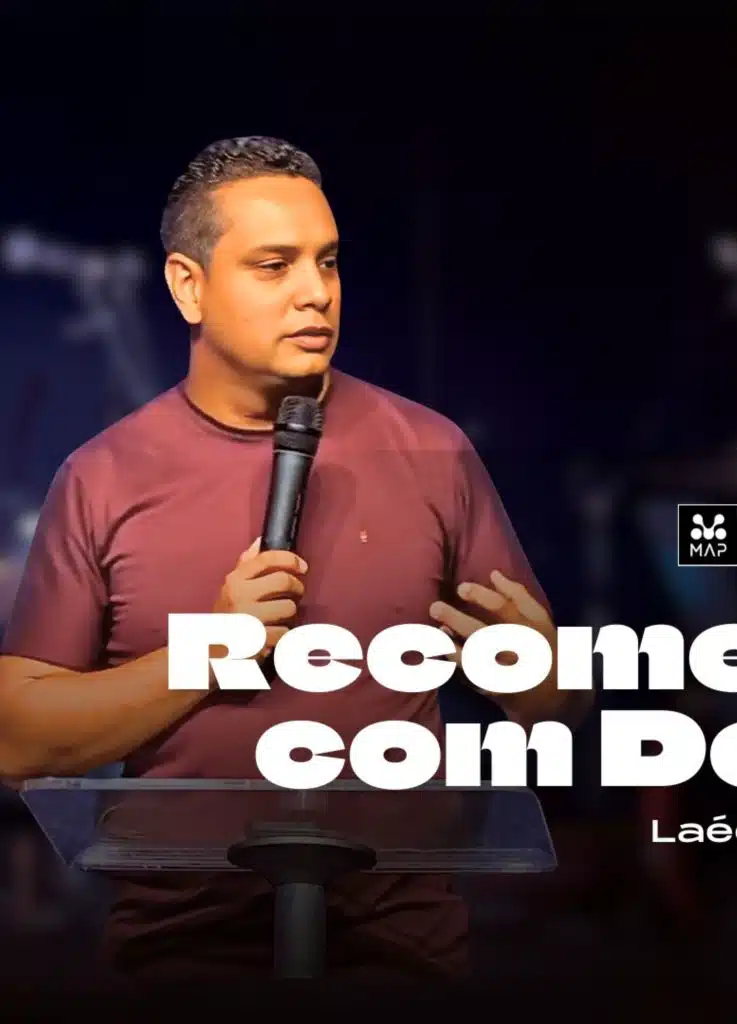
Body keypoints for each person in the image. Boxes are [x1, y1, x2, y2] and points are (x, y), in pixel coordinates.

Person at [0, 136, 589, 982]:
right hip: (181, 953)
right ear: (188, 286)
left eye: (329, 261)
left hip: (400, 954)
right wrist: (208, 654)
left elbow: (554, 700)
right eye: (274, 266)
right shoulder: (104, 476)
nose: (316, 292)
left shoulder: (431, 452)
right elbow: (17, 739)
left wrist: (544, 683)